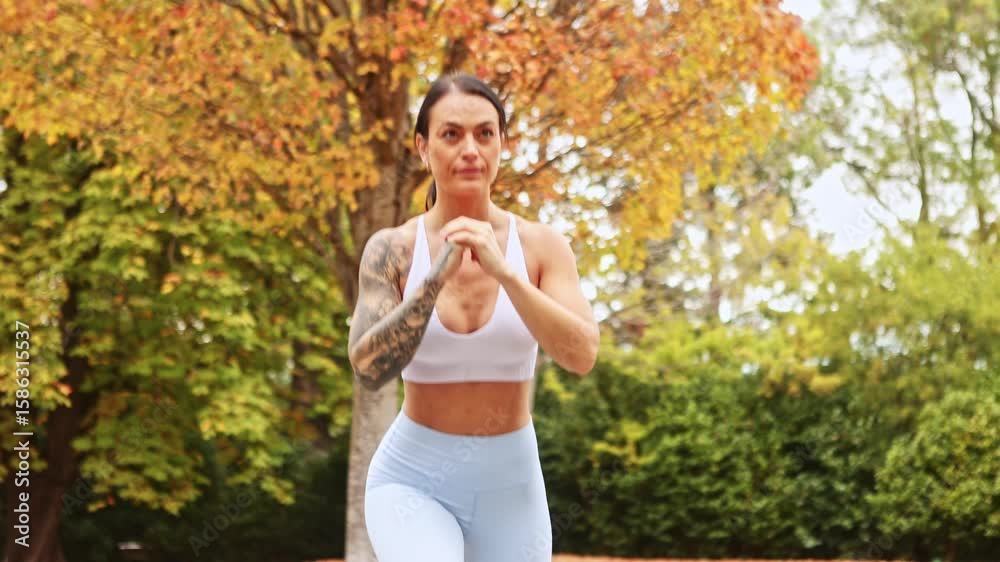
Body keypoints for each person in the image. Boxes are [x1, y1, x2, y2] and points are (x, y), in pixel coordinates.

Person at [347, 72, 600, 562]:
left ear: (502, 144)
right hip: (411, 482)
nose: (470, 149)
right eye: (451, 134)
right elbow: (368, 369)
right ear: (423, 148)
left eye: (485, 133)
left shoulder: (542, 246)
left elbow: (582, 354)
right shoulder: (393, 249)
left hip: (511, 488)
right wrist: (431, 283)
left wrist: (506, 273)